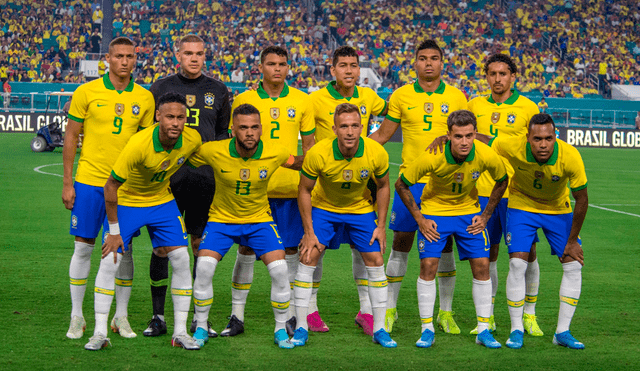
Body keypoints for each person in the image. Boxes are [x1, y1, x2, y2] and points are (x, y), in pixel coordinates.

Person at [85, 92, 202, 350]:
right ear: (158, 117)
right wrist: (113, 231)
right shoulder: (139, 144)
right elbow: (111, 186)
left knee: (182, 258)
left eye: (180, 117)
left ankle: (180, 332)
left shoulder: (192, 139)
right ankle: (99, 332)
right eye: (170, 116)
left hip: (161, 201)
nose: (175, 122)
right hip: (128, 200)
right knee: (110, 260)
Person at [369, 39, 468, 334]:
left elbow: (465, 138)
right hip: (408, 185)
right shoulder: (400, 95)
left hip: (445, 185)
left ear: (442, 63)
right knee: (401, 244)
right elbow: (384, 134)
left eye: (434, 58)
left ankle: (445, 313)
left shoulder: (456, 96)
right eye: (422, 58)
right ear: (414, 62)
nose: (428, 63)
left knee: (445, 245)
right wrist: (354, 149)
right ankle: (390, 310)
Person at [62, 37, 154, 340]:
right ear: (108, 59)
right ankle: (77, 316)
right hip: (89, 182)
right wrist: (67, 182)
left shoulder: (145, 97)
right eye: (119, 56)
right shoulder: (86, 92)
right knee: (83, 247)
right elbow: (71, 137)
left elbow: (145, 146)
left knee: (122, 252)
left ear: (134, 59)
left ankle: (121, 316)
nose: (125, 62)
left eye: (130, 56)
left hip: (125, 188)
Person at [189, 103, 303, 349]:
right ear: (233, 130)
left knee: (281, 270)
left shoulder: (276, 152)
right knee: (205, 267)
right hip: (222, 220)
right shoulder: (212, 151)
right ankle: (200, 326)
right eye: (243, 128)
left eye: (254, 127)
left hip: (259, 220)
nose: (249, 133)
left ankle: (280, 330)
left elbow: (298, 163)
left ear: (261, 129)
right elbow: (183, 156)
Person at [220, 46, 314, 338]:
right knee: (246, 250)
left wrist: (296, 171)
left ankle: (289, 317)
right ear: (260, 67)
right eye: (271, 63)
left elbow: (309, 150)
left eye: (282, 64)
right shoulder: (244, 99)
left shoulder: (302, 100)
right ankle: (236, 315)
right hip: (251, 191)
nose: (277, 68)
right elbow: (230, 144)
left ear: (289, 68)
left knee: (289, 252)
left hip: (287, 191)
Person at [395, 113, 507, 350]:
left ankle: (483, 329)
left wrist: (486, 215)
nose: (464, 142)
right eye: (458, 136)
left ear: (475, 134)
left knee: (482, 266)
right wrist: (420, 219)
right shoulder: (433, 156)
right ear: (449, 136)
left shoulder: (486, 154)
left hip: (469, 213)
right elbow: (401, 184)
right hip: (435, 212)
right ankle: (427, 330)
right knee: (428, 267)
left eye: (469, 136)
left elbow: (503, 179)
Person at [292, 102, 396, 348]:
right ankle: (300, 327)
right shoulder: (319, 153)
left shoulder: (376, 152)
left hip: (360, 210)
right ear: (334, 129)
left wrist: (380, 226)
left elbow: (383, 187)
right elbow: (304, 190)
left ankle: (380, 328)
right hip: (324, 208)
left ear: (363, 127)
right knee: (308, 256)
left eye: (355, 126)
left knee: (376, 261)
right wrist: (308, 232)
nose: (350, 132)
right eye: (344, 126)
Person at [147, 34, 230, 338]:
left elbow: (222, 139)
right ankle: (158, 316)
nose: (194, 58)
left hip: (204, 181)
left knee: (199, 248)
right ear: (177, 55)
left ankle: (198, 316)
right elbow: (149, 133)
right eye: (188, 53)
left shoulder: (219, 90)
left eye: (199, 53)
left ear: (205, 55)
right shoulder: (160, 87)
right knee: (161, 249)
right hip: (167, 181)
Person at [486, 113, 588, 350]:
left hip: (557, 208)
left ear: (555, 137)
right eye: (537, 139)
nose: (543, 144)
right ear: (527, 138)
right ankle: (516, 329)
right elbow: (490, 142)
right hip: (523, 205)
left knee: (573, 263)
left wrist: (572, 241)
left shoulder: (570, 155)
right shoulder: (512, 145)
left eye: (548, 138)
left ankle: (562, 332)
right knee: (517, 264)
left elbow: (582, 200)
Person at [308, 45, 388, 335]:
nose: (350, 71)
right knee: (317, 248)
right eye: (343, 65)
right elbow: (305, 136)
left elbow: (394, 114)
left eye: (354, 65)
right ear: (332, 70)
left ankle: (366, 311)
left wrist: (375, 142)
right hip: (325, 185)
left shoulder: (369, 96)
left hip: (359, 184)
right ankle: (310, 310)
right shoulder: (316, 100)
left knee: (361, 247)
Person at [467, 53, 541, 336]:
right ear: (486, 76)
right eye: (492, 73)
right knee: (489, 254)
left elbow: (534, 148)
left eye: (503, 73)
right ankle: (491, 314)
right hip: (483, 191)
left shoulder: (527, 107)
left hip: (518, 193)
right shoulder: (475, 105)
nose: (497, 79)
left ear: (513, 76)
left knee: (527, 253)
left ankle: (530, 314)